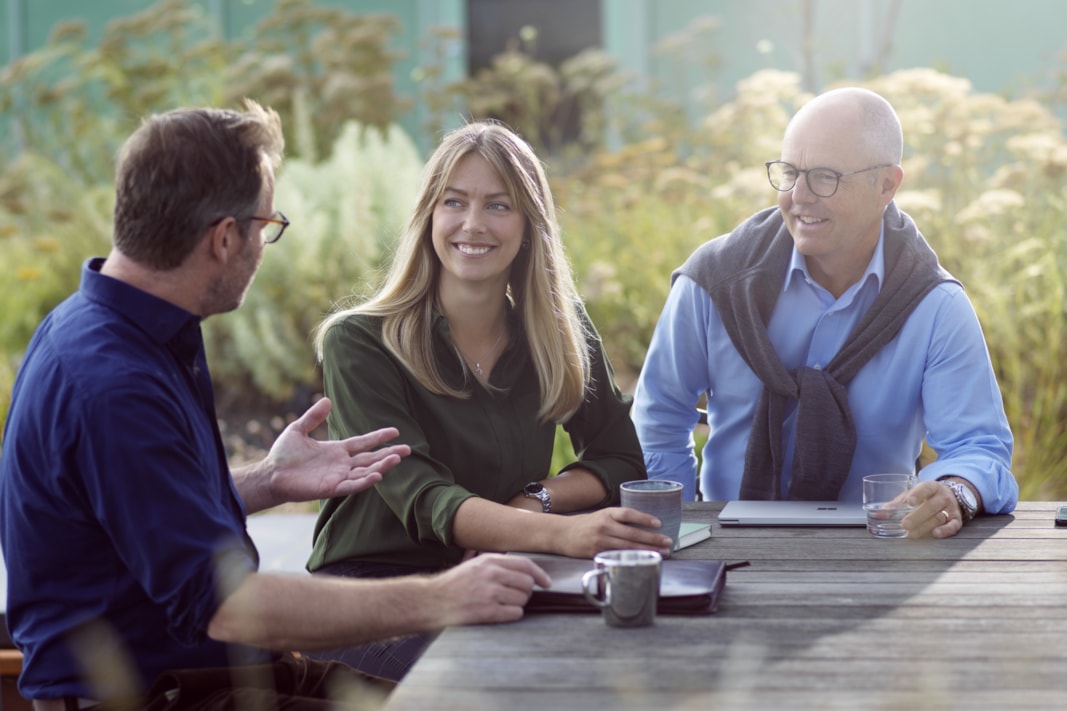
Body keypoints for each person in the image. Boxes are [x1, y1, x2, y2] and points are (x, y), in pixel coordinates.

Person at [0, 101, 552, 710]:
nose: (265, 245)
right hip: (159, 696)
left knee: (501, 695)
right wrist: (442, 596)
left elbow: (136, 517)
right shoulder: (113, 385)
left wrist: (268, 480)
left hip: (224, 674)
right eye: (266, 227)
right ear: (225, 238)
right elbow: (231, 607)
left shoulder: (121, 327)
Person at [306, 120, 668, 679]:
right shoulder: (358, 342)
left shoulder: (560, 333)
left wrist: (534, 501)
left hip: (499, 572)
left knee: (626, 661)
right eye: (455, 202)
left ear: (530, 225)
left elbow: (622, 459)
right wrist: (563, 532)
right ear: (430, 215)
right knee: (501, 683)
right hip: (373, 595)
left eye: (498, 205)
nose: (472, 224)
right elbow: (426, 499)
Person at [632, 87, 1017, 539]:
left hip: (879, 549)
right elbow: (659, 418)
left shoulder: (935, 305)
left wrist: (956, 491)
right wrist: (680, 530)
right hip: (724, 545)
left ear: (887, 185)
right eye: (790, 172)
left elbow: (978, 447)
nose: (799, 196)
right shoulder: (713, 283)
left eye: (825, 177)